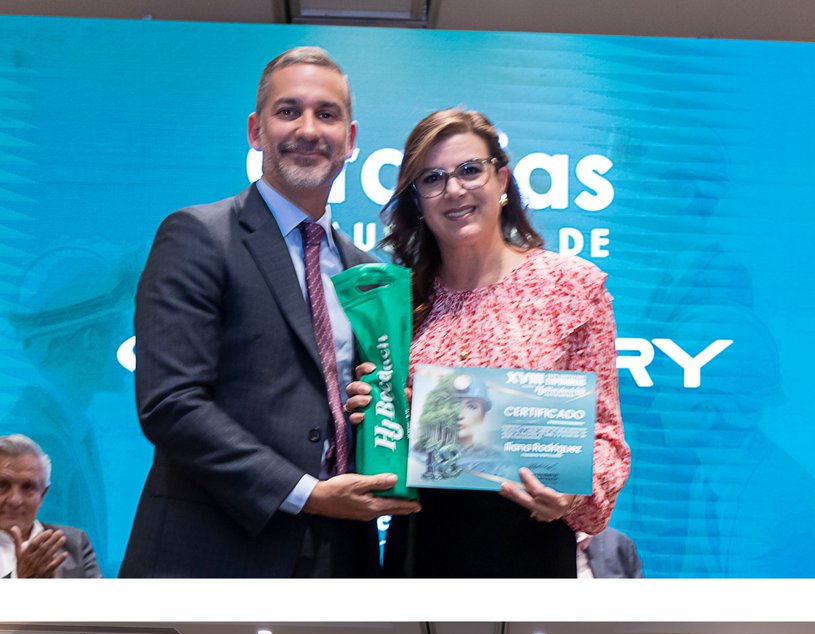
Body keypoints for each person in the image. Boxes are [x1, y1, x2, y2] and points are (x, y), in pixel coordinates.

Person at [119, 47, 418, 579]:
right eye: (288, 111)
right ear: (256, 130)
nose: (308, 129)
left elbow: (364, 404)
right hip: (210, 560)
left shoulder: (367, 272)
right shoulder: (198, 236)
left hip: (340, 561)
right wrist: (306, 494)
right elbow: (170, 403)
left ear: (350, 141)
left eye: (326, 114)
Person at [348, 107, 630, 578]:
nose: (454, 189)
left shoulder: (570, 288)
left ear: (502, 180)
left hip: (529, 545)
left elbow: (604, 436)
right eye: (432, 178)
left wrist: (571, 494)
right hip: (420, 550)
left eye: (470, 170)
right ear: (417, 200)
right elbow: (387, 434)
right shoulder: (397, 303)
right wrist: (370, 409)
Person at [0, 434, 101, 577]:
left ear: (42, 495)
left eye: (28, 487)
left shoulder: (73, 543)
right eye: (2, 485)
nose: (15, 500)